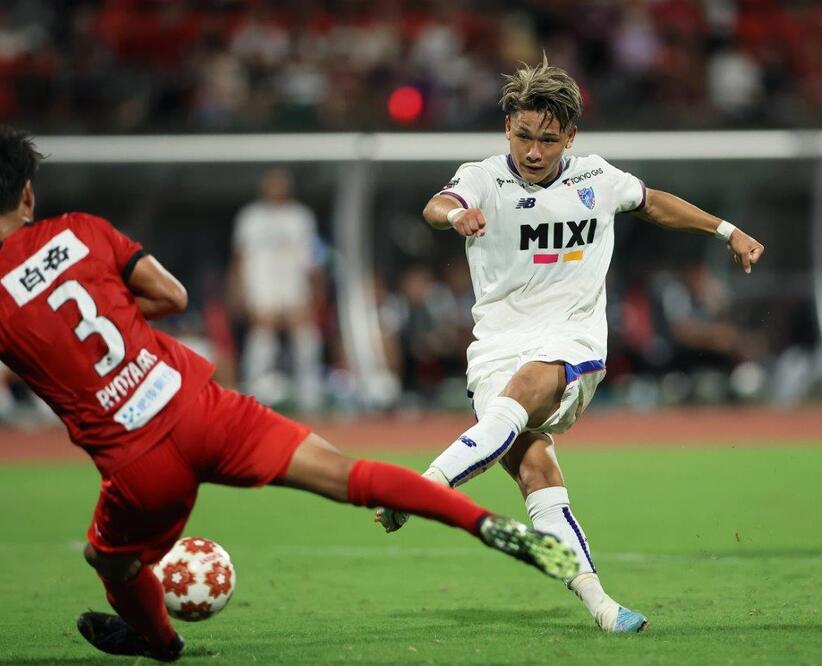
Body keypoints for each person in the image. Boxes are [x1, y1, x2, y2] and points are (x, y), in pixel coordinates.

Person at [0, 127, 576, 662]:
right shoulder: (79, 230)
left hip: (136, 462)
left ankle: (162, 641)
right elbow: (172, 297)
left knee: (109, 559)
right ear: (27, 193)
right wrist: (117, 315)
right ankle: (483, 524)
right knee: (347, 474)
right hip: (201, 408)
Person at [375, 56, 765, 633]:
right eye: (524, 137)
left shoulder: (595, 179)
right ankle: (604, 608)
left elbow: (652, 202)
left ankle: (420, 490)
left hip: (569, 341)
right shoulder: (483, 177)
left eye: (548, 140)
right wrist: (455, 217)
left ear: (571, 138)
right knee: (539, 478)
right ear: (507, 128)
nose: (534, 152)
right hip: (494, 349)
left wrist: (726, 230)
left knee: (529, 384)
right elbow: (438, 205)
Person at [228, 168, 324, 412]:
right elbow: (239, 257)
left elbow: (313, 257)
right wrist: (238, 292)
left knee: (305, 333)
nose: (275, 189)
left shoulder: (301, 216)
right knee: (262, 332)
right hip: (261, 283)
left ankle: (310, 394)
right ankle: (255, 392)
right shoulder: (251, 217)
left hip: (293, 283)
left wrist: (317, 290)